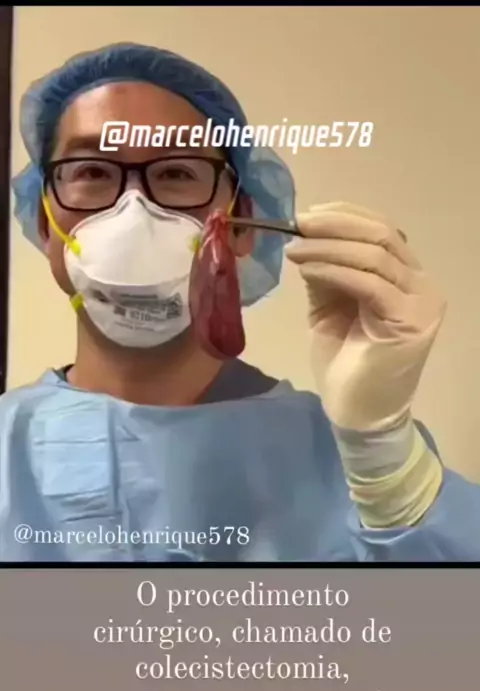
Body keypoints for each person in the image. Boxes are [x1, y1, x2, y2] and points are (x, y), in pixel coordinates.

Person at [2, 42, 479, 562]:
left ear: (241, 224)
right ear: (46, 224)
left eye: (177, 172)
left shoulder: (357, 464)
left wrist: (387, 466)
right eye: (92, 172)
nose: (132, 213)